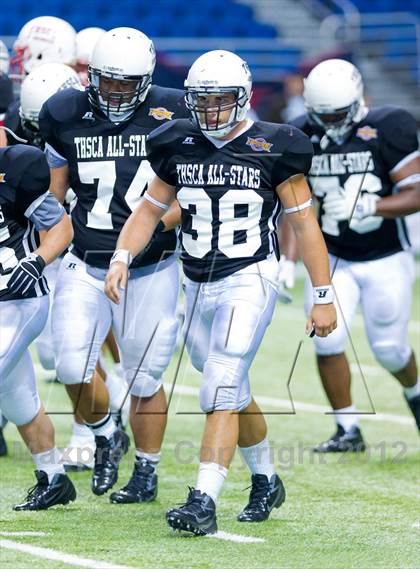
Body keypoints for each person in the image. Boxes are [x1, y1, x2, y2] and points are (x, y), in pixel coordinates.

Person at [104, 49, 337, 535]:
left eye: (220, 101)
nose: (210, 111)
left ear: (243, 98)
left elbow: (306, 225)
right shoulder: (175, 142)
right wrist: (122, 257)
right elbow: (149, 210)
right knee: (233, 387)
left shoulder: (276, 144)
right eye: (202, 101)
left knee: (221, 384)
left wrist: (322, 293)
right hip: (195, 281)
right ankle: (267, 478)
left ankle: (202, 499)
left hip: (250, 276)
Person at [39, 27, 188, 499]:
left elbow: (190, 197)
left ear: (146, 79)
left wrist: (142, 237)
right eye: (108, 81)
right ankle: (106, 433)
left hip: (151, 266)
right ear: (92, 75)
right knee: (69, 367)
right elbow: (55, 193)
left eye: (127, 83)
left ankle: (146, 471)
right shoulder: (63, 112)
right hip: (84, 258)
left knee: (144, 377)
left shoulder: (176, 113)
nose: (117, 92)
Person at [289, 58, 420, 451]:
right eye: (322, 114)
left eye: (338, 114)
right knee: (325, 340)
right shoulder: (300, 133)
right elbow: (294, 205)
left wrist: (373, 206)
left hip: (384, 254)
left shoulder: (389, 125)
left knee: (389, 350)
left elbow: (416, 193)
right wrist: (286, 259)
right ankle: (347, 429)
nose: (330, 123)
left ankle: (415, 396)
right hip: (332, 257)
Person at [0, 142, 75, 509]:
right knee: (17, 401)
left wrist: (38, 260)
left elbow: (62, 226)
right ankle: (54, 478)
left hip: (18, 300)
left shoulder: (14, 169)